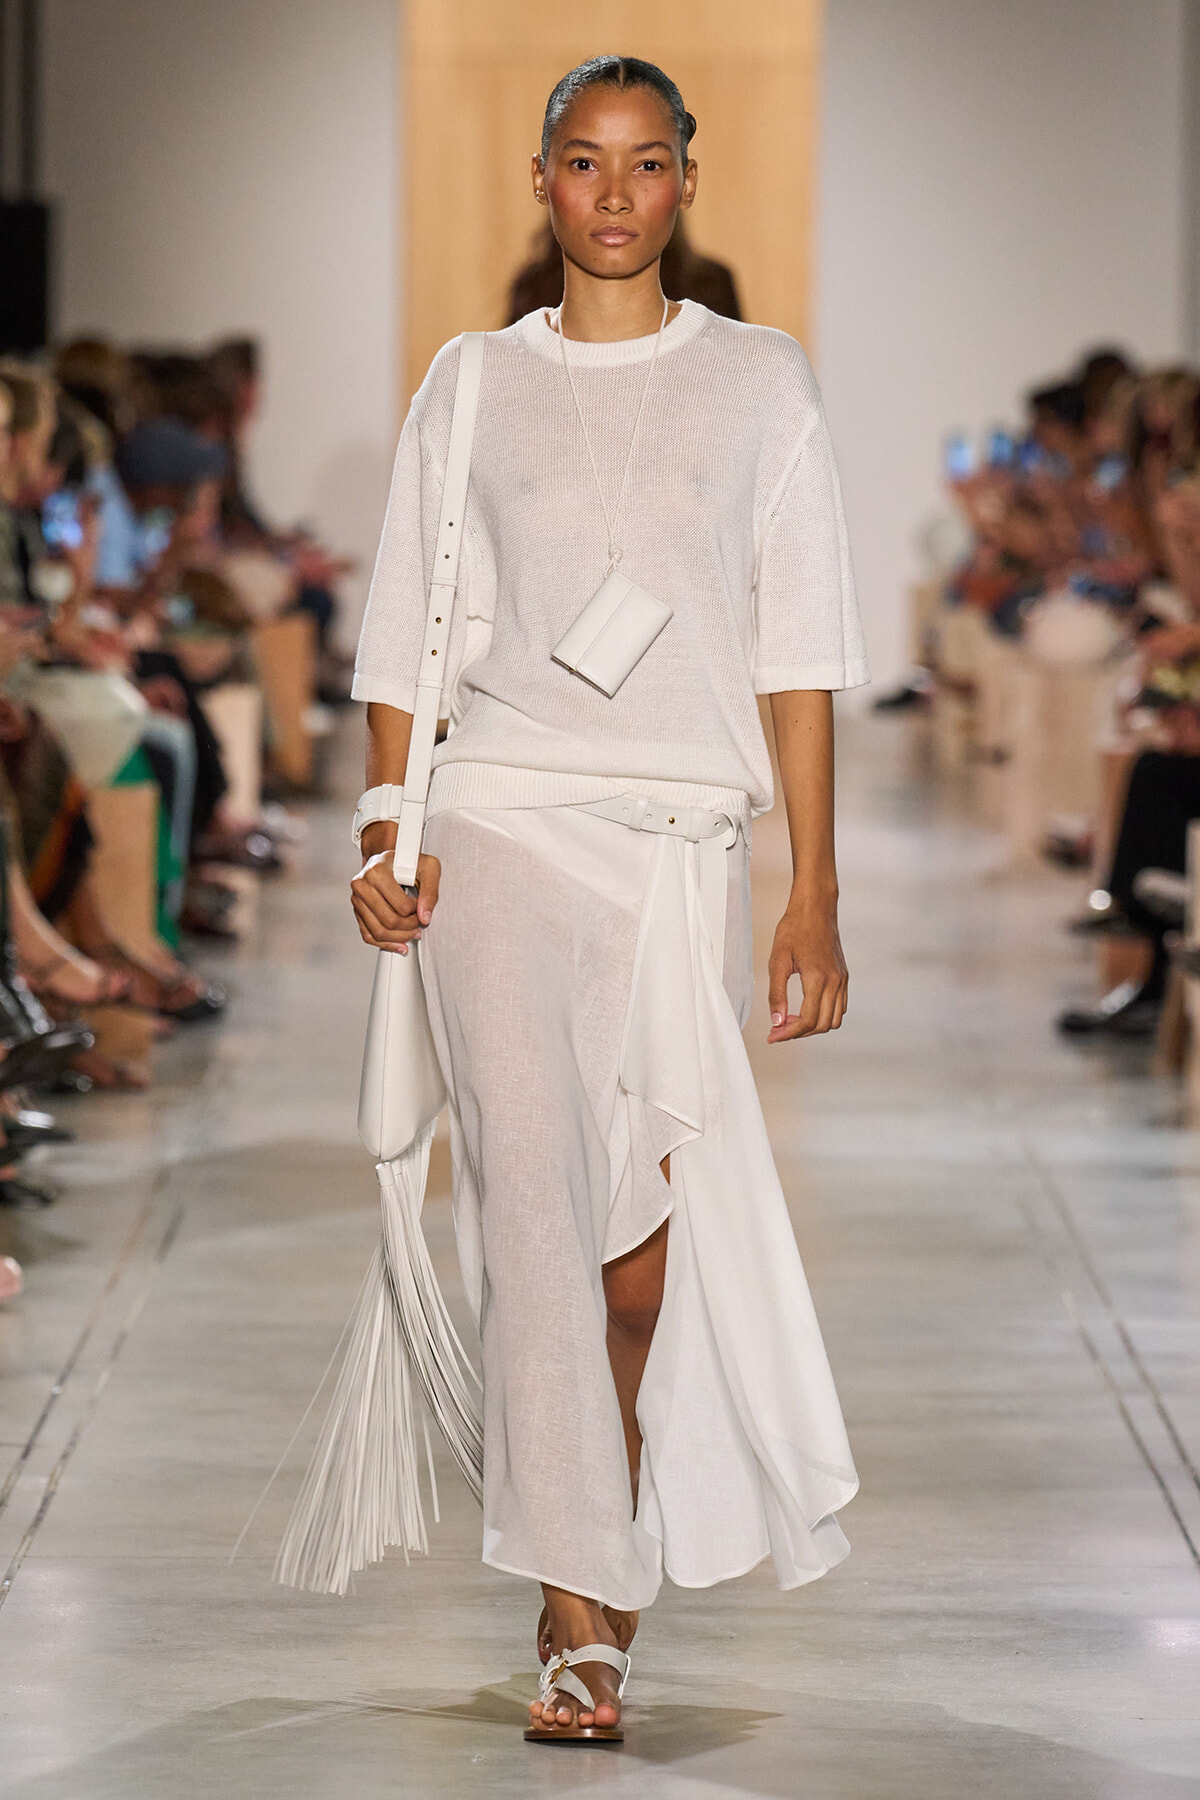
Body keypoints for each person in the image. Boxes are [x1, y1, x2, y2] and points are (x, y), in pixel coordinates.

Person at [350, 56, 866, 1744]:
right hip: (499, 821)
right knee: (531, 1225)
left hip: (675, 851)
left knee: (638, 1261)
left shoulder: (760, 384)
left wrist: (816, 887)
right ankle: (580, 1617)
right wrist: (387, 825)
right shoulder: (473, 386)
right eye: (587, 161)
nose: (618, 193)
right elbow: (407, 624)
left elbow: (799, 650)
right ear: (542, 180)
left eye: (649, 163)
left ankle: (607, 1503)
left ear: (688, 186)